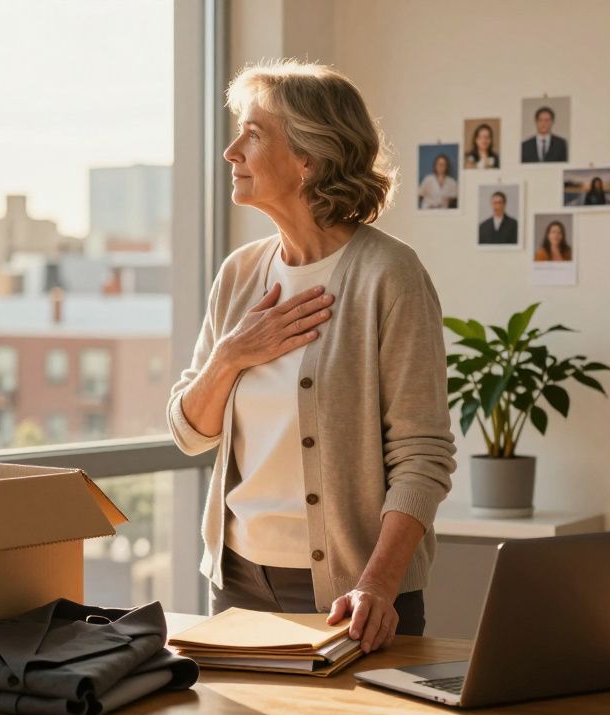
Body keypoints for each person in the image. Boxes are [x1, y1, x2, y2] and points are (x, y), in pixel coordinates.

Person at [166, 60, 456, 655]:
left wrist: (378, 583)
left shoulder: (389, 276)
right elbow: (189, 434)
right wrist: (230, 356)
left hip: (353, 598)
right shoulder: (240, 274)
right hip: (237, 579)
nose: (230, 151)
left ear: (309, 159)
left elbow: (422, 454)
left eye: (252, 132)